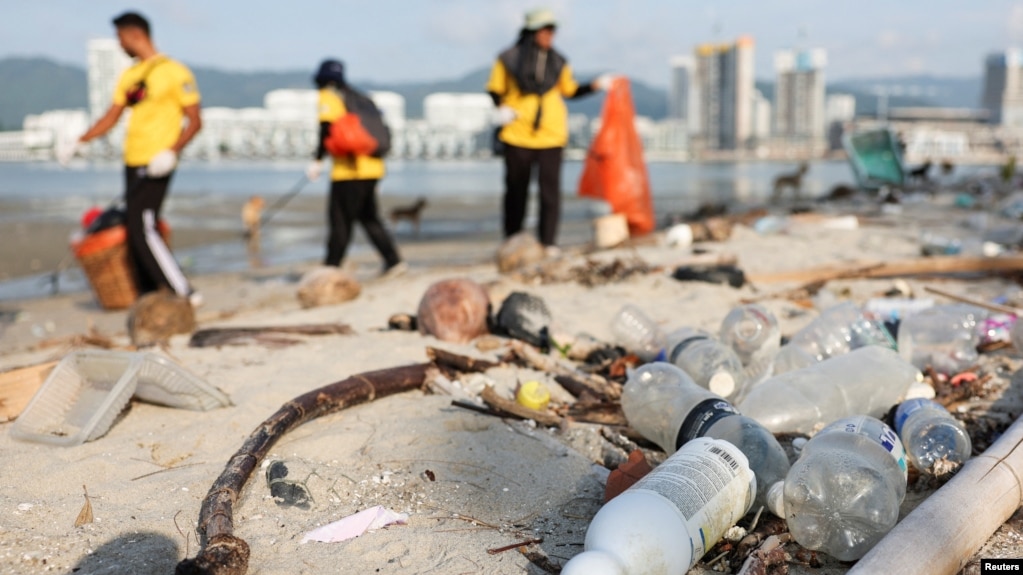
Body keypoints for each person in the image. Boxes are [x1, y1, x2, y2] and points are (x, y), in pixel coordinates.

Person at [59, 11, 202, 305]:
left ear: (135, 34)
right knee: (135, 228)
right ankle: (150, 294)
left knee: (143, 226)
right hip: (132, 161)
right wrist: (78, 141)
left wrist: (171, 152)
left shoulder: (175, 72)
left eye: (120, 37)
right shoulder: (130, 75)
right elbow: (111, 117)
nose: (119, 44)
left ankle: (183, 291)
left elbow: (196, 121)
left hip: (158, 162)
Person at [486, 7, 609, 254]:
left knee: (550, 193)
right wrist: (501, 109)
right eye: (546, 29)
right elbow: (495, 89)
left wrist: (595, 85)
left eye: (553, 30)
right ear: (532, 32)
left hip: (552, 135)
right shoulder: (507, 59)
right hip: (517, 134)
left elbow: (570, 90)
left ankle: (549, 243)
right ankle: (512, 240)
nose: (550, 35)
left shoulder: (559, 61)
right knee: (516, 191)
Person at [306, 59, 405, 276]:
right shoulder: (359, 97)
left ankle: (331, 268)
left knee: (340, 220)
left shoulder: (328, 96)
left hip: (349, 171)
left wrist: (317, 160)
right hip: (373, 169)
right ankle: (394, 261)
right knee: (369, 218)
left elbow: (326, 130)